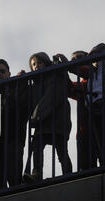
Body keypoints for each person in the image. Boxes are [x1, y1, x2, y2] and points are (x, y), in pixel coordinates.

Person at [24, 52, 73, 181]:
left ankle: (67, 173)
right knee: (37, 146)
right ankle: (36, 173)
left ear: (46, 62)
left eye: (39, 63)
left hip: (57, 119)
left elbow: (62, 90)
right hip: (43, 120)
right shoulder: (34, 85)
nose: (36, 66)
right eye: (33, 64)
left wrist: (61, 66)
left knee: (61, 149)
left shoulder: (55, 75)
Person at [0, 59, 29, 190]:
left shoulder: (16, 88)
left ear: (9, 74)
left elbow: (20, 110)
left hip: (13, 139)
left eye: (2, 71)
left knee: (14, 180)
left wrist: (20, 82)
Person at [65, 51, 97, 170]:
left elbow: (87, 72)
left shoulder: (97, 74)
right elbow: (69, 88)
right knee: (85, 168)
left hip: (99, 127)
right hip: (83, 131)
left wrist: (68, 65)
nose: (75, 60)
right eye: (73, 59)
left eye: (79, 58)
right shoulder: (83, 84)